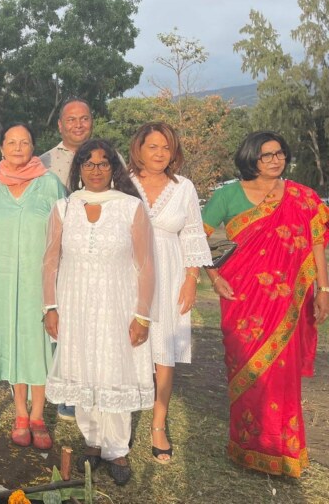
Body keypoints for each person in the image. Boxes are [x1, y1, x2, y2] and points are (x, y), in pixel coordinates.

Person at [201, 131, 329, 478]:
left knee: (282, 377)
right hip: (241, 299)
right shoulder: (227, 195)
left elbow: (317, 242)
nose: (275, 160)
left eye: (279, 153)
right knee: (248, 372)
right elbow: (195, 235)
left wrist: (323, 288)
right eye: (266, 155)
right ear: (250, 159)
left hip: (287, 302)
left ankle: (282, 450)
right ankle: (245, 448)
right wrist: (215, 278)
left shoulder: (304, 198)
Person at [43, 139, 155, 486]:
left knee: (114, 370)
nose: (95, 170)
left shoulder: (130, 207)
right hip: (74, 305)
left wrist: (142, 315)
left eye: (103, 163)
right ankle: (92, 441)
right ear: (78, 169)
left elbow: (146, 265)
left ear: (113, 169)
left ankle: (117, 448)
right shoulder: (64, 208)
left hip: (117, 305)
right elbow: (50, 262)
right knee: (83, 369)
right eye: (88, 164)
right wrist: (50, 307)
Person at [127, 122, 212, 464]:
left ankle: (158, 425)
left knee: (163, 351)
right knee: (129, 347)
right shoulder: (125, 182)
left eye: (166, 147)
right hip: (128, 275)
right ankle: (123, 417)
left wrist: (191, 279)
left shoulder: (184, 187)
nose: (160, 153)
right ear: (139, 149)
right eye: (153, 146)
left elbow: (192, 234)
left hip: (170, 273)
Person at [0, 122, 66, 451]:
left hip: (41, 282)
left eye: (25, 142)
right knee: (14, 346)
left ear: (34, 147)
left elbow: (66, 235)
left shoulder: (50, 185)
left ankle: (38, 415)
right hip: (5, 283)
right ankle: (19, 413)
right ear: (1, 148)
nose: (19, 147)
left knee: (39, 346)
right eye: (12, 141)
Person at [39, 98, 94, 421]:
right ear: (60, 125)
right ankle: (66, 394)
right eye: (71, 120)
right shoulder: (44, 162)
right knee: (64, 322)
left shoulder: (107, 157)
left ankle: (91, 388)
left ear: (91, 122)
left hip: (98, 253)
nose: (77, 125)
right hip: (60, 253)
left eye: (83, 119)